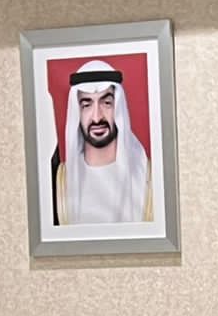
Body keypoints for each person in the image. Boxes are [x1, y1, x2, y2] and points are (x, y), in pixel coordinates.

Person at [54, 62, 153, 225]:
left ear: (118, 107)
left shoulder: (149, 176)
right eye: (86, 105)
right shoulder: (60, 181)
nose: (96, 117)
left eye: (106, 103)